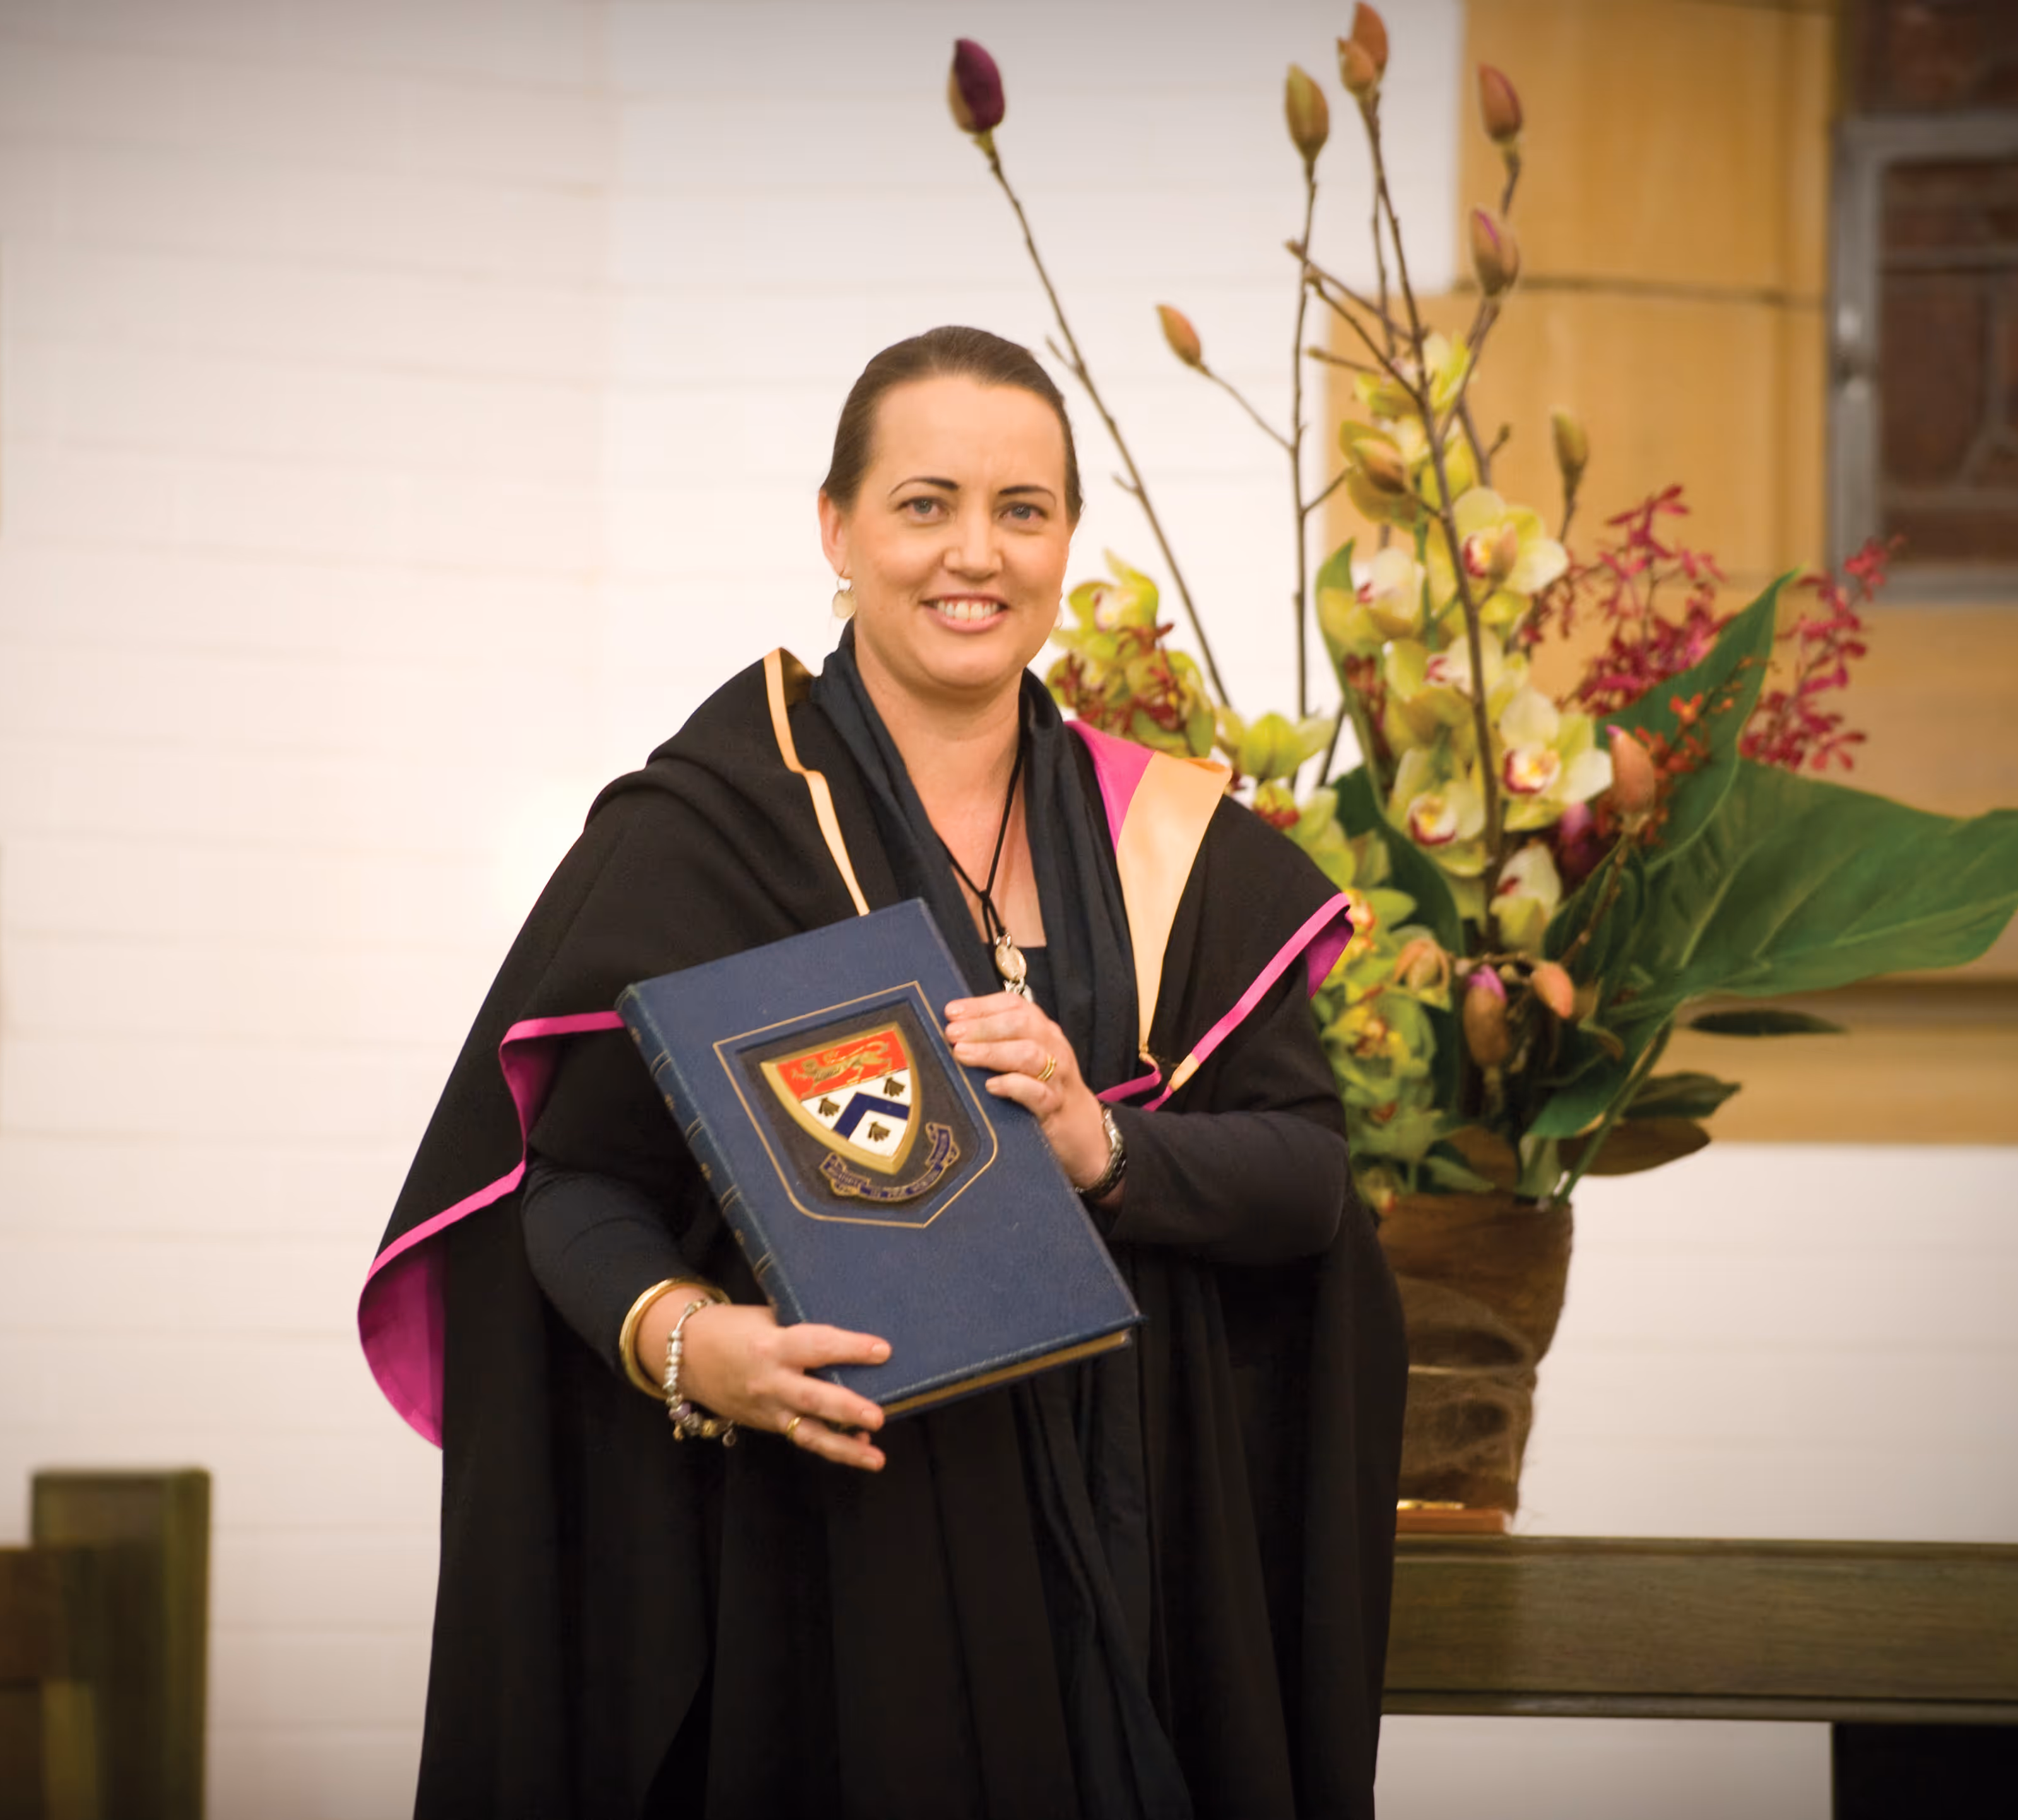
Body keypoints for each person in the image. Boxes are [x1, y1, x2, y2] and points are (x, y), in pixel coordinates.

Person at [359, 326, 1408, 1819]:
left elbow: (1308, 1179)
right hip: (820, 1572)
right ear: (836, 527)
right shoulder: (709, 829)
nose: (973, 553)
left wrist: (1102, 1148)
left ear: (1062, 543)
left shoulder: (1170, 840)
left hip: (1131, 1555)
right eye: (925, 503)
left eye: (1021, 509)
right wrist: (686, 1345)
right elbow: (575, 1184)